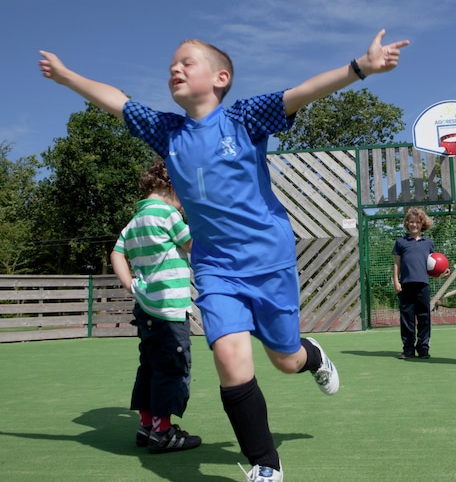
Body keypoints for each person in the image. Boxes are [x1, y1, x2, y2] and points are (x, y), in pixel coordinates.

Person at [40, 29, 409, 481]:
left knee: (285, 359)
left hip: (269, 261)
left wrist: (360, 68)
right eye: (171, 64)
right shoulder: (167, 130)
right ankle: (266, 467)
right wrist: (65, 77)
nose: (175, 68)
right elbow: (115, 99)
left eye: (186, 62)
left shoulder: (243, 118)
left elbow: (301, 92)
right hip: (215, 268)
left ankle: (312, 356)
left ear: (220, 77)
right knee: (231, 360)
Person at [111, 159, 201, 454]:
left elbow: (116, 253)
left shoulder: (135, 221)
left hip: (146, 308)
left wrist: (131, 286)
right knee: (172, 368)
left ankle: (146, 425)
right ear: (170, 187)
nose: (183, 204)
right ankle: (163, 433)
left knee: (149, 366)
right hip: (170, 309)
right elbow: (192, 245)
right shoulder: (167, 215)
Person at [392, 207, 448, 360]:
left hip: (423, 285)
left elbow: (434, 266)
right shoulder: (401, 242)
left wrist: (442, 273)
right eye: (411, 221)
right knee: (407, 318)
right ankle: (408, 349)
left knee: (424, 317)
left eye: (417, 222)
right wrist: (396, 281)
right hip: (406, 285)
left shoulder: (428, 243)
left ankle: (423, 348)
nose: (414, 224)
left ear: (422, 224)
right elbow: (397, 264)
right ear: (407, 223)